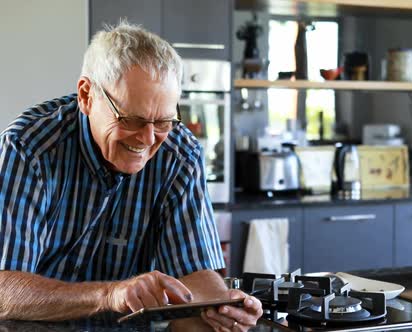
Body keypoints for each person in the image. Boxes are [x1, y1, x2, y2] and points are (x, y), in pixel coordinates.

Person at [0, 22, 262, 330]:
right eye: (132, 120)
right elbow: (4, 291)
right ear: (86, 96)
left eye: (163, 122)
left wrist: (221, 306)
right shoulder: (29, 149)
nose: (148, 139)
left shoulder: (179, 155)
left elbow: (195, 271)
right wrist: (109, 294)